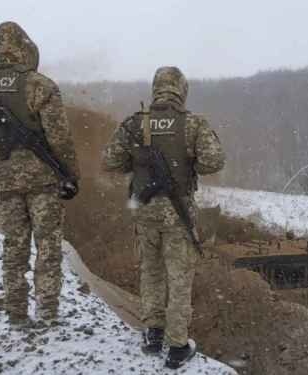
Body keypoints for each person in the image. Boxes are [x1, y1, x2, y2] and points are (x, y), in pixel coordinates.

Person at [102, 66, 225, 369]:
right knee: (179, 279)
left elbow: (110, 160)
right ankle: (177, 346)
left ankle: (153, 334)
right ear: (182, 90)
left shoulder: (135, 123)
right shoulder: (192, 124)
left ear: (156, 88)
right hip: (178, 215)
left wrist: (139, 158)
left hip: (144, 212)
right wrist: (188, 158)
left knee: (151, 272)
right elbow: (213, 162)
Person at [0, 21, 80, 325]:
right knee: (48, 247)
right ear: (24, 47)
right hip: (42, 181)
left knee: (14, 247)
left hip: (2, 182)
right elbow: (60, 138)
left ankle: (16, 313)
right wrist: (70, 175)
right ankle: (48, 313)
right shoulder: (40, 84)